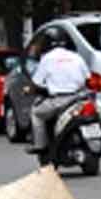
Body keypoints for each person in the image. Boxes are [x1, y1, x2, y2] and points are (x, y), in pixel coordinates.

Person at [29, 35, 89, 165]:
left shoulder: (47, 58)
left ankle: (41, 146)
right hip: (79, 98)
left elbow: (36, 82)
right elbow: (87, 77)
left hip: (59, 100)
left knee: (36, 113)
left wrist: (29, 90)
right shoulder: (76, 57)